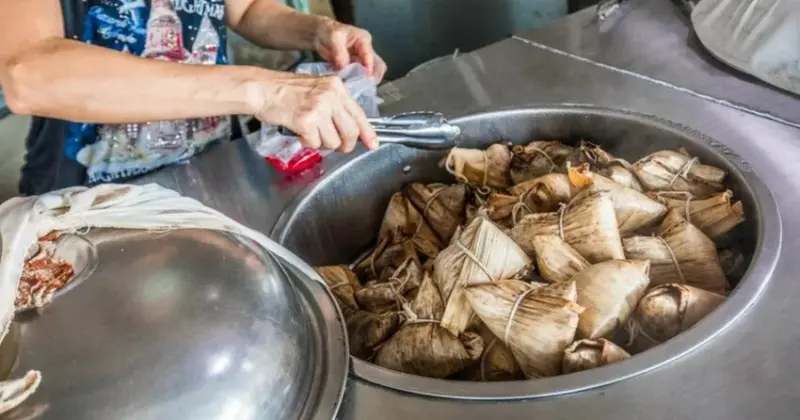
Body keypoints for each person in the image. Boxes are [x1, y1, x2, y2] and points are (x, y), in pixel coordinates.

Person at [0, 0, 387, 195]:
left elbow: (248, 9)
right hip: (90, 201)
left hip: (210, 175)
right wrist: (260, 89)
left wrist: (316, 31)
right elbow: (30, 73)